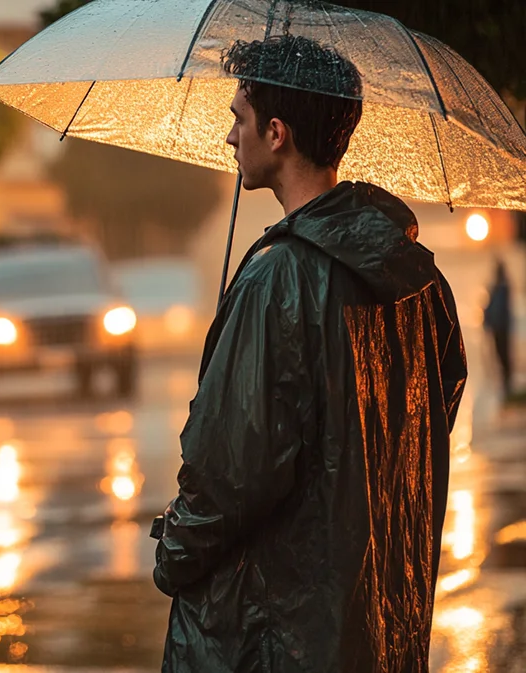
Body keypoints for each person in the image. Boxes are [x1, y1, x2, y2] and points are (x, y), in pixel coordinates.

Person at [152, 35, 468, 672]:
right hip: (373, 625)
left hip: (271, 634)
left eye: (237, 119)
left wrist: (173, 553)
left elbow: (229, 473)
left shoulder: (278, 280)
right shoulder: (421, 282)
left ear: (276, 133)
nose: (228, 138)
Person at [485, 260, 513, 396]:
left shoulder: (503, 288)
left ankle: (507, 384)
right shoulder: (496, 289)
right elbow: (489, 308)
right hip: (497, 327)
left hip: (502, 328)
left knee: (503, 355)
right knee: (498, 354)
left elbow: (499, 309)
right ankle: (504, 385)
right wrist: (487, 323)